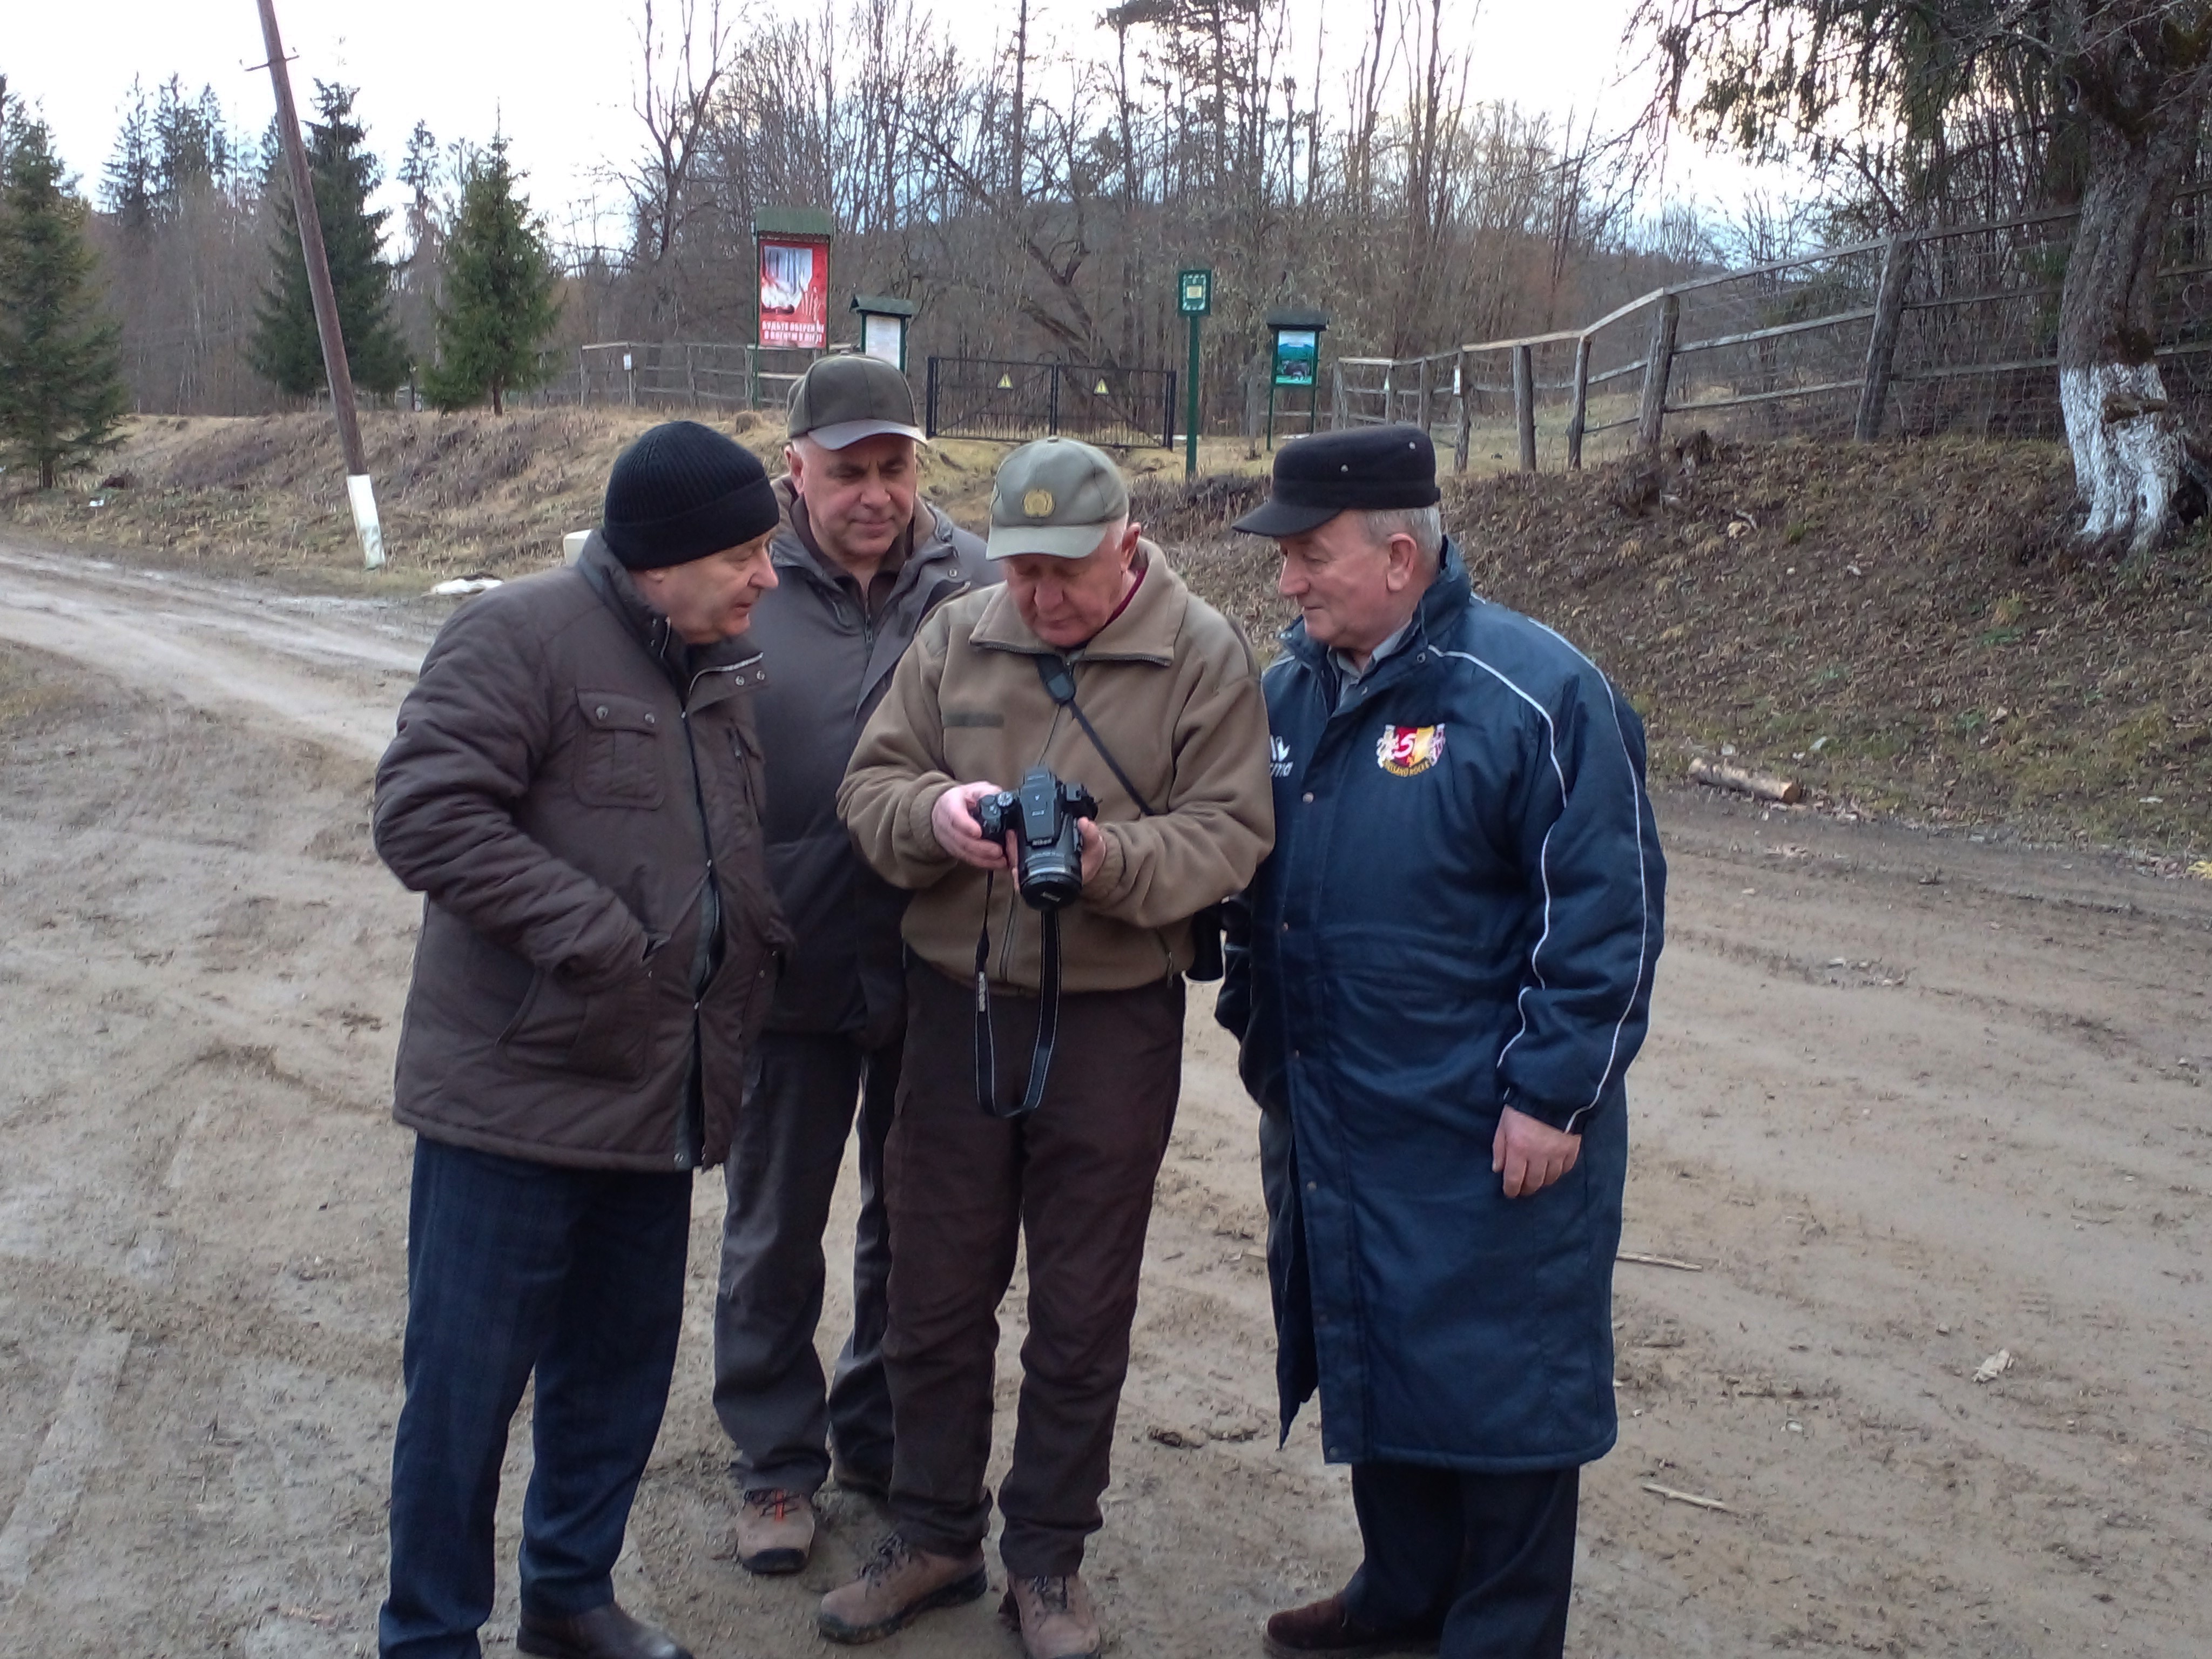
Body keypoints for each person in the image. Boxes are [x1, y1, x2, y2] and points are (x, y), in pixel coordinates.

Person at [1217, 426, 1665, 1659]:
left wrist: (1553, 1098)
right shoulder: (1287, 695)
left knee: (1506, 1389)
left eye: (1308, 556)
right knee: (1376, 1341)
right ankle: (1401, 1595)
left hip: (1487, 1126)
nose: (1286, 582)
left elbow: (1608, 915)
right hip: (1340, 1113)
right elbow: (1246, 887)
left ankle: (1495, 1635)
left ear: (1399, 557)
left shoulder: (1537, 693)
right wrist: (1262, 1033)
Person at [824, 437, 1275, 1659]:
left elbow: (1233, 831)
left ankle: (1047, 1560)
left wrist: (1108, 859)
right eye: (1020, 570)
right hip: (956, 1006)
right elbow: (869, 788)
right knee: (929, 1288)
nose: (1037, 597)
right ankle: (932, 1534)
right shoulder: (955, 635)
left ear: (1128, 545)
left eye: (1064, 572)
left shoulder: (1203, 654)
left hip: (1112, 1021)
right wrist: (935, 815)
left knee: (1080, 1307)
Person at [372, 420, 790, 1659]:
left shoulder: (718, 668)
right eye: (746, 553)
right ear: (663, 557)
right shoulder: (520, 635)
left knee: (615, 1377)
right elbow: (425, 814)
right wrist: (598, 937)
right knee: (464, 1396)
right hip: (513, 1102)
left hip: (654, 1095)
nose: (768, 576)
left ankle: (568, 1597)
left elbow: (715, 857)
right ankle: (429, 1633)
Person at [713, 354, 992, 1575]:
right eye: (848, 473)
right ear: (796, 472)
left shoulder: (977, 576)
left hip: (936, 956)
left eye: (894, 467)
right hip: (789, 960)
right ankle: (776, 1462)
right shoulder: (743, 580)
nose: (876, 494)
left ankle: (877, 1433)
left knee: (914, 1224)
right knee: (775, 1227)